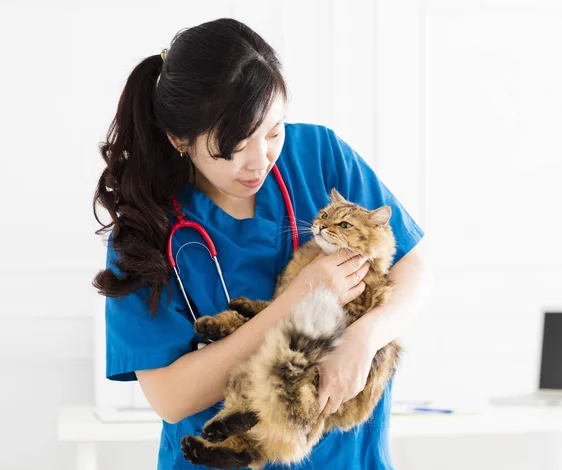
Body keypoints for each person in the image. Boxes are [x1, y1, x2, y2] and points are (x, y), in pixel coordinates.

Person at [93, 17, 434, 470]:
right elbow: (171, 398)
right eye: (233, 146)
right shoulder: (145, 229)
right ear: (180, 139)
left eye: (273, 131)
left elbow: (414, 266)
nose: (260, 161)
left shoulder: (320, 155)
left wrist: (364, 337)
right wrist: (297, 302)